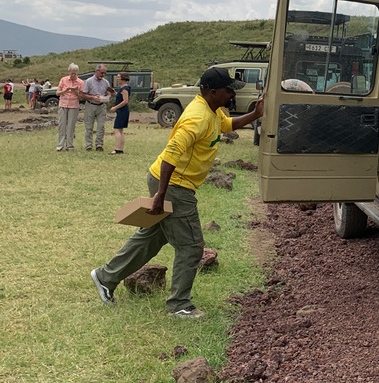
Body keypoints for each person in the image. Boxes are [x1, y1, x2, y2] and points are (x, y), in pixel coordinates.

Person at [90, 67, 263, 319]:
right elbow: (171, 154)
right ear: (212, 91)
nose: (232, 95)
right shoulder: (197, 118)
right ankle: (180, 305)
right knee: (191, 245)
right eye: (228, 91)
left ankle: (105, 277)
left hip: (170, 183)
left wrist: (255, 114)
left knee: (153, 237)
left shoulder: (212, 110)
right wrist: (161, 195)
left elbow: (226, 125)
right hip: (174, 185)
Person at [55, 64, 86, 151]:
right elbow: (57, 93)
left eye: (75, 73)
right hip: (63, 104)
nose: (73, 75)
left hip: (74, 105)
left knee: (71, 126)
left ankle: (69, 145)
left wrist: (76, 92)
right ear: (69, 72)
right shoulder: (63, 79)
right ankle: (60, 145)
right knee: (62, 125)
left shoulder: (80, 82)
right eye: (72, 73)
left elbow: (81, 97)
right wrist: (64, 91)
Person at [81, 64, 112, 152]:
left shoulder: (106, 82)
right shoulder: (89, 81)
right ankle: (88, 145)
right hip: (90, 105)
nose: (103, 75)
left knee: (101, 126)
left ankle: (99, 144)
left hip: (101, 106)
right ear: (96, 71)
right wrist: (93, 97)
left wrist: (108, 97)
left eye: (105, 73)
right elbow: (83, 94)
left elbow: (109, 92)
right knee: (89, 126)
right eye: (102, 73)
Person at [109, 72, 131, 154]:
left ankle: (118, 149)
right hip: (122, 111)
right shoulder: (122, 88)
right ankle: (120, 148)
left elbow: (125, 101)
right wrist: (115, 93)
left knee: (117, 129)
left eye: (118, 77)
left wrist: (115, 107)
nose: (117, 79)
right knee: (120, 130)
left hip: (122, 111)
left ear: (123, 78)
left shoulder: (124, 89)